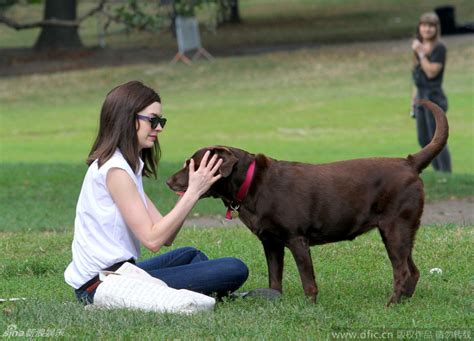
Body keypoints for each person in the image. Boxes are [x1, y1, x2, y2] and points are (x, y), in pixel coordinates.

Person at [65, 80, 249, 304]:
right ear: (127, 119)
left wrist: (192, 192)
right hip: (101, 285)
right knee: (234, 268)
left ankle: (194, 294)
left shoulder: (127, 166)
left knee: (191, 255)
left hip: (121, 273)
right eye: (153, 120)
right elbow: (152, 240)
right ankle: (196, 295)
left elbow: (166, 237)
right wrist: (193, 191)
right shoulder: (116, 171)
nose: (159, 128)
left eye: (160, 121)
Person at [411, 12, 452, 172]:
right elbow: (417, 76)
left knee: (437, 139)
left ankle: (446, 173)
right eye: (424, 25)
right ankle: (438, 172)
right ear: (419, 27)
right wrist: (413, 102)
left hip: (434, 96)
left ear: (436, 29)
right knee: (423, 139)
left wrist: (421, 53)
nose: (427, 29)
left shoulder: (439, 47)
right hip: (420, 97)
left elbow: (431, 72)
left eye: (430, 26)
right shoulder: (418, 47)